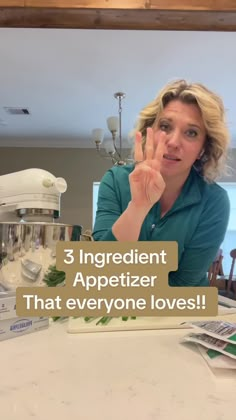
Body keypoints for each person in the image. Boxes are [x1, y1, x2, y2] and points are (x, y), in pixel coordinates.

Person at [92, 79, 230, 287]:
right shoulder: (115, 181)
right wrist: (137, 208)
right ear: (150, 132)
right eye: (165, 126)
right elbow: (99, 269)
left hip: (180, 314)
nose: (173, 142)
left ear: (203, 148)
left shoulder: (214, 201)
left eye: (191, 132)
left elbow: (183, 284)